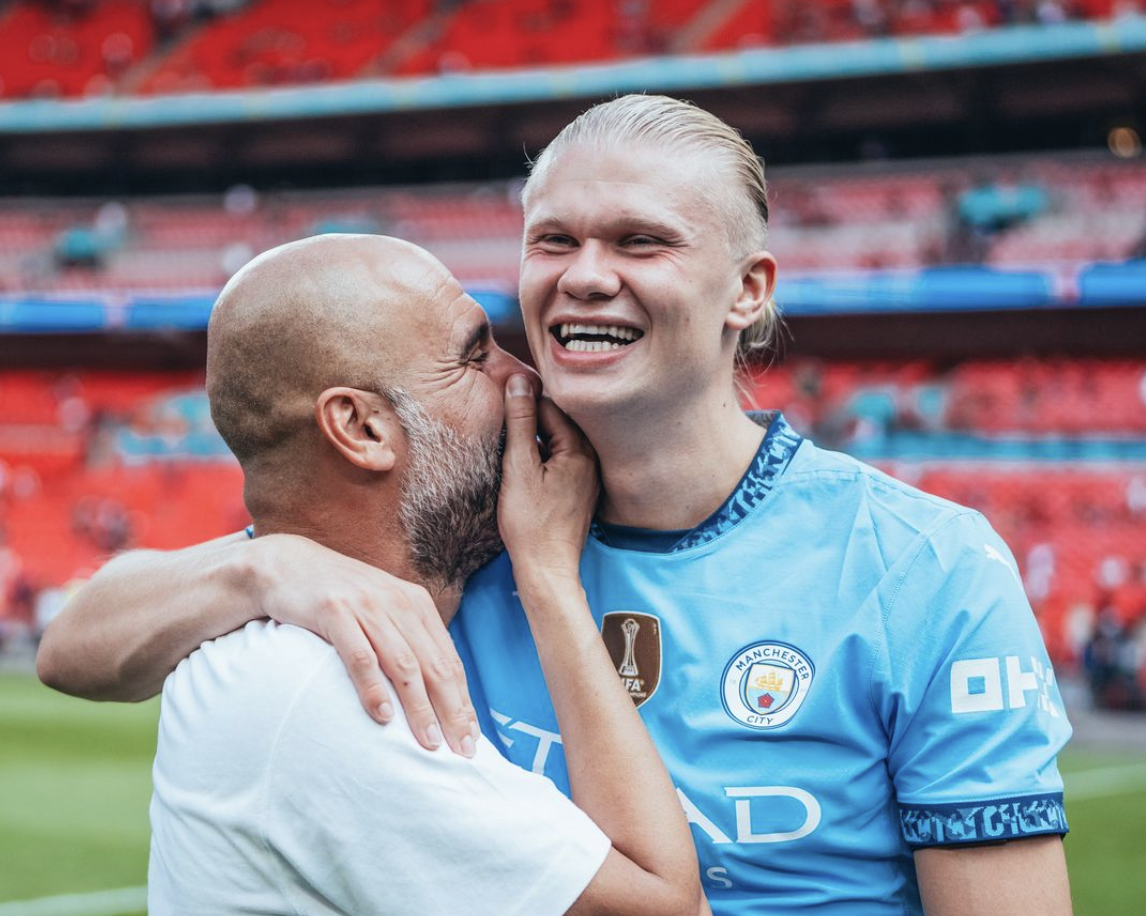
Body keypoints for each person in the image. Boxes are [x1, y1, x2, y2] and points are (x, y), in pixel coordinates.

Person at [38, 95, 1073, 915]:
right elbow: (76, 643)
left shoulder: (923, 564)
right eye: (552, 241)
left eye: (638, 242)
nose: (584, 277)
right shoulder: (454, 525)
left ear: (748, 290)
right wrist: (260, 563)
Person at [137, 233, 705, 915]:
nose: (525, 376)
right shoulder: (332, 694)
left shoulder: (268, 623)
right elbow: (669, 910)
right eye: (474, 356)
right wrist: (549, 572)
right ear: (362, 429)